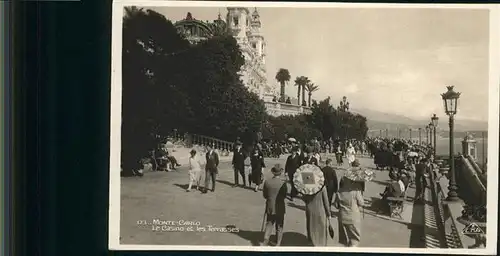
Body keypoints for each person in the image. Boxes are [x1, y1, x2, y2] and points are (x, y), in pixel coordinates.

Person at [261, 164, 288, 246]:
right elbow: (284, 196)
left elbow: (265, 195)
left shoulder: (267, 182)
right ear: (280, 173)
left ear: (273, 172)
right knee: (279, 226)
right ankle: (278, 243)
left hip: (270, 206)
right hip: (279, 207)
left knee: (269, 224)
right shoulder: (283, 184)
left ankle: (265, 241)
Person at [335, 175, 364, 247]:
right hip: (353, 218)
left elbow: (336, 205)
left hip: (342, 217)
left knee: (344, 241)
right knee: (354, 240)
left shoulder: (339, 192)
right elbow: (361, 203)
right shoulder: (355, 191)